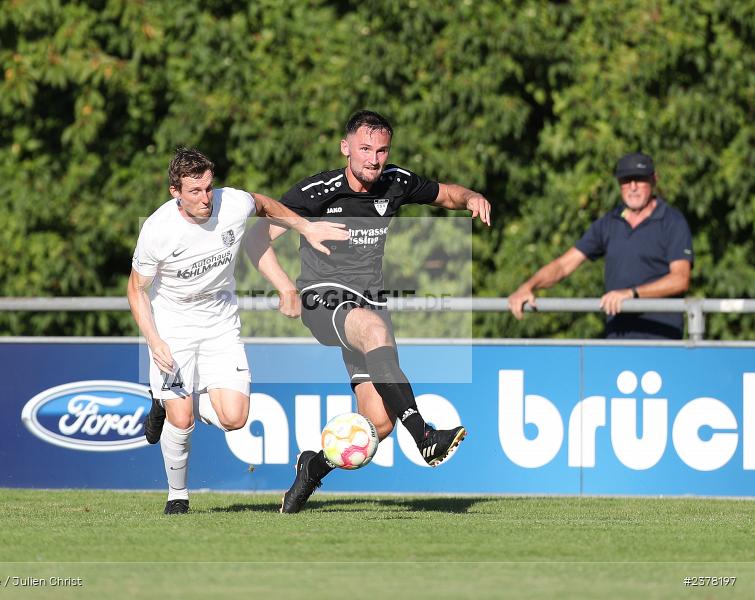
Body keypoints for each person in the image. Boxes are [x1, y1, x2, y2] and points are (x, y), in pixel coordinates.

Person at [262, 110, 492, 514]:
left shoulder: (395, 182)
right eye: (365, 149)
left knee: (376, 426)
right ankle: (424, 437)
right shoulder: (317, 192)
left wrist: (471, 197)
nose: (373, 159)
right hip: (322, 297)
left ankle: (312, 468)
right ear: (345, 147)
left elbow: (445, 194)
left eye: (381, 150)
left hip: (368, 303)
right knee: (372, 328)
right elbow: (257, 239)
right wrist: (284, 287)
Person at [128, 147, 347, 515]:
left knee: (234, 418)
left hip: (220, 323)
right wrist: (154, 340)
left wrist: (306, 227)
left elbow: (263, 203)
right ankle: (177, 496)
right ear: (175, 192)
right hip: (173, 327)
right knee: (182, 420)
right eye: (194, 191)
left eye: (208, 188)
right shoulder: (157, 230)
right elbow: (136, 289)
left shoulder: (231, 203)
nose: (205, 198)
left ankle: (165, 401)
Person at [508, 152, 693, 339]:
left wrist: (632, 294)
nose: (633, 187)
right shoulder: (608, 223)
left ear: (654, 180)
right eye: (626, 181)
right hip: (616, 340)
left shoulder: (672, 222)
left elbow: (680, 279)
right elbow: (564, 265)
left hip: (661, 341)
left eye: (640, 179)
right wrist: (529, 286)